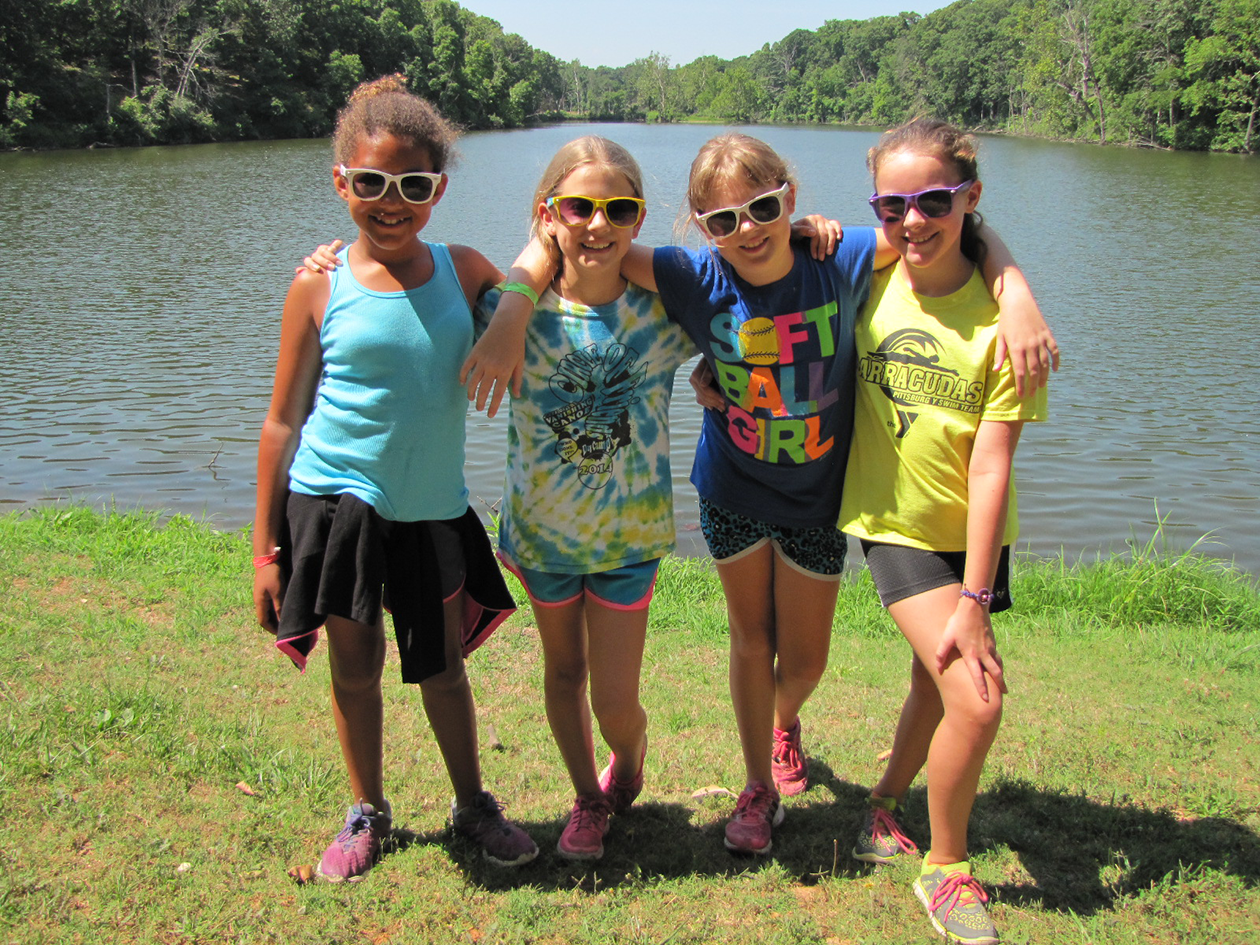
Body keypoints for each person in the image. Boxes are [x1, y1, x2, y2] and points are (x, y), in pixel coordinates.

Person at [465, 131, 1056, 858]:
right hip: (732, 491)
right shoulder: (687, 276)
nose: (745, 229)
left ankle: (785, 723)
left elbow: (942, 224)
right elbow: (580, 246)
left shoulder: (840, 256)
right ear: (698, 227)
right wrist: (522, 288)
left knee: (803, 662)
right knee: (750, 641)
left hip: (816, 497)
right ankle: (756, 788)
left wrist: (1016, 289)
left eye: (764, 208)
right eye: (721, 220)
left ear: (792, 199)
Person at [251, 74, 537, 883]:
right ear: (342, 181)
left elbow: (530, 271)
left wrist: (511, 314)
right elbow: (281, 421)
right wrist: (265, 547)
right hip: (334, 503)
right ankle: (367, 809)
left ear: (438, 189)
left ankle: (471, 802)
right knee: (355, 665)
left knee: (442, 668)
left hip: (430, 508)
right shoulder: (318, 282)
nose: (391, 201)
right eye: (371, 183)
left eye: (412, 185)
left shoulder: (462, 267)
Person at [839, 118, 1047, 944]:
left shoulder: (1008, 327)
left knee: (939, 682)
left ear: (970, 198)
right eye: (892, 204)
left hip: (975, 538)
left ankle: (883, 807)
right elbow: (767, 287)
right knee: (978, 698)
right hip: (893, 526)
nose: (912, 220)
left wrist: (975, 590)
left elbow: (993, 465)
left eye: (933, 200)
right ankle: (947, 867)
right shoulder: (870, 271)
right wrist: (715, 377)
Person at [488, 136, 695, 860]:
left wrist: (801, 230)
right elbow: (419, 275)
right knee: (562, 673)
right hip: (543, 537)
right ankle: (586, 797)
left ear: (640, 220)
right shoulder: (508, 307)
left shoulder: (664, 313)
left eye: (619, 208)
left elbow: (756, 278)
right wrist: (328, 265)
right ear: (549, 215)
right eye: (579, 207)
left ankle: (629, 757)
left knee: (613, 698)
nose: (597, 224)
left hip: (627, 541)